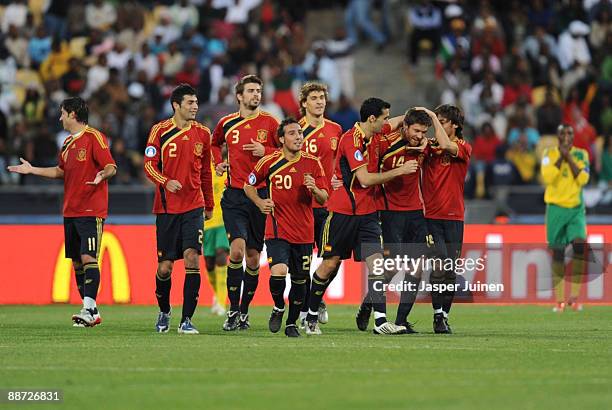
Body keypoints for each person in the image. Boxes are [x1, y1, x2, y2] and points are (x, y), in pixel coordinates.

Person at [304, 97, 418, 335]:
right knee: (329, 265)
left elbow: (400, 121)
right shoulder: (351, 140)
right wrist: (400, 171)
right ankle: (311, 315)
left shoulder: (375, 133)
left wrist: (418, 113)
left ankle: (380, 322)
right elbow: (364, 179)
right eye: (384, 117)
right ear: (372, 119)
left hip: (368, 214)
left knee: (377, 265)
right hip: (342, 213)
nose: (388, 122)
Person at [8, 97, 116, 327]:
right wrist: (32, 170)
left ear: (73, 114)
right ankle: (91, 311)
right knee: (77, 262)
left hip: (90, 208)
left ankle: (88, 308)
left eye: (62, 113)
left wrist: (102, 175)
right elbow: (60, 171)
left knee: (88, 257)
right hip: (71, 210)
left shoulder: (95, 137)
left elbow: (110, 166)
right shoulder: (67, 143)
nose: (60, 117)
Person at [245, 117, 329, 337]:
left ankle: (291, 323)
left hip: (304, 232)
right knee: (279, 271)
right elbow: (248, 184)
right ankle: (278, 307)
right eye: (292, 133)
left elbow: (324, 198)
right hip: (277, 229)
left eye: (300, 133)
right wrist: (260, 202)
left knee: (301, 280)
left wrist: (315, 189)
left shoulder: (313, 162)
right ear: (281, 139)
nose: (298, 136)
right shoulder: (269, 161)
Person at [143, 84, 214, 334]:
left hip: (193, 206)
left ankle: (187, 320)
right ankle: (164, 311)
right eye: (190, 103)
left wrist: (209, 204)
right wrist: (165, 181)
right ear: (176, 105)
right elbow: (149, 165)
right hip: (166, 208)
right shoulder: (159, 131)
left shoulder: (203, 133)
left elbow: (206, 172)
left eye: (196, 103)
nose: (195, 107)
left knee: (192, 258)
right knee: (165, 267)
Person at [211, 75, 280, 331]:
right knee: (237, 252)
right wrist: (218, 162)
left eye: (258, 90)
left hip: (261, 196)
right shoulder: (227, 123)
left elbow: (289, 152)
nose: (256, 95)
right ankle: (231, 310)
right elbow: (214, 143)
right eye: (251, 90)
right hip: (235, 196)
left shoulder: (271, 123)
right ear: (239, 96)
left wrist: (267, 152)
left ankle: (244, 311)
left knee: (253, 258)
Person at [373, 108, 432, 333]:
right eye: (416, 130)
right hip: (390, 212)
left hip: (416, 212)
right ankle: (370, 302)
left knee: (416, 267)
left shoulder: (425, 145)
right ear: (405, 126)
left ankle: (400, 321)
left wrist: (432, 122)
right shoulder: (385, 144)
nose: (419, 135)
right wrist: (401, 170)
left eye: (423, 131)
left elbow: (445, 145)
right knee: (392, 266)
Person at [417, 104, 471, 334]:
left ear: (455, 125)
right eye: (436, 120)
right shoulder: (429, 147)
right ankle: (437, 314)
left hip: (454, 217)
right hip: (430, 216)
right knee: (439, 264)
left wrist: (430, 116)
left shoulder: (462, 147)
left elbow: (447, 145)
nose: (437, 124)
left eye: (442, 121)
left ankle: (444, 316)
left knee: (450, 269)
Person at [296, 82, 343, 327]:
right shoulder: (295, 131)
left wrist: (340, 177)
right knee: (303, 262)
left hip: (328, 204)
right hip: (301, 206)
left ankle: (318, 298)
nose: (319, 102)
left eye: (322, 97)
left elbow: (342, 160)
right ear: (304, 103)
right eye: (313, 98)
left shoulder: (335, 129)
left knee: (333, 259)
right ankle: (305, 311)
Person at [541, 124, 589, 312]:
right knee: (559, 253)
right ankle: (560, 300)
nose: (566, 136)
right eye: (563, 133)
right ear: (558, 136)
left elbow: (583, 179)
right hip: (555, 209)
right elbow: (549, 176)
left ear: (573, 136)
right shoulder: (549, 154)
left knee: (579, 246)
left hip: (575, 209)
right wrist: (562, 156)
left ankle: (575, 298)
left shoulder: (581, 154)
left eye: (569, 133)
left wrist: (569, 156)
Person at [204, 152, 229, 316]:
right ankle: (217, 294)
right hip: (207, 222)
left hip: (224, 221)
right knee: (209, 263)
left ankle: (221, 301)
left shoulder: (230, 168)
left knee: (221, 255)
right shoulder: (205, 169)